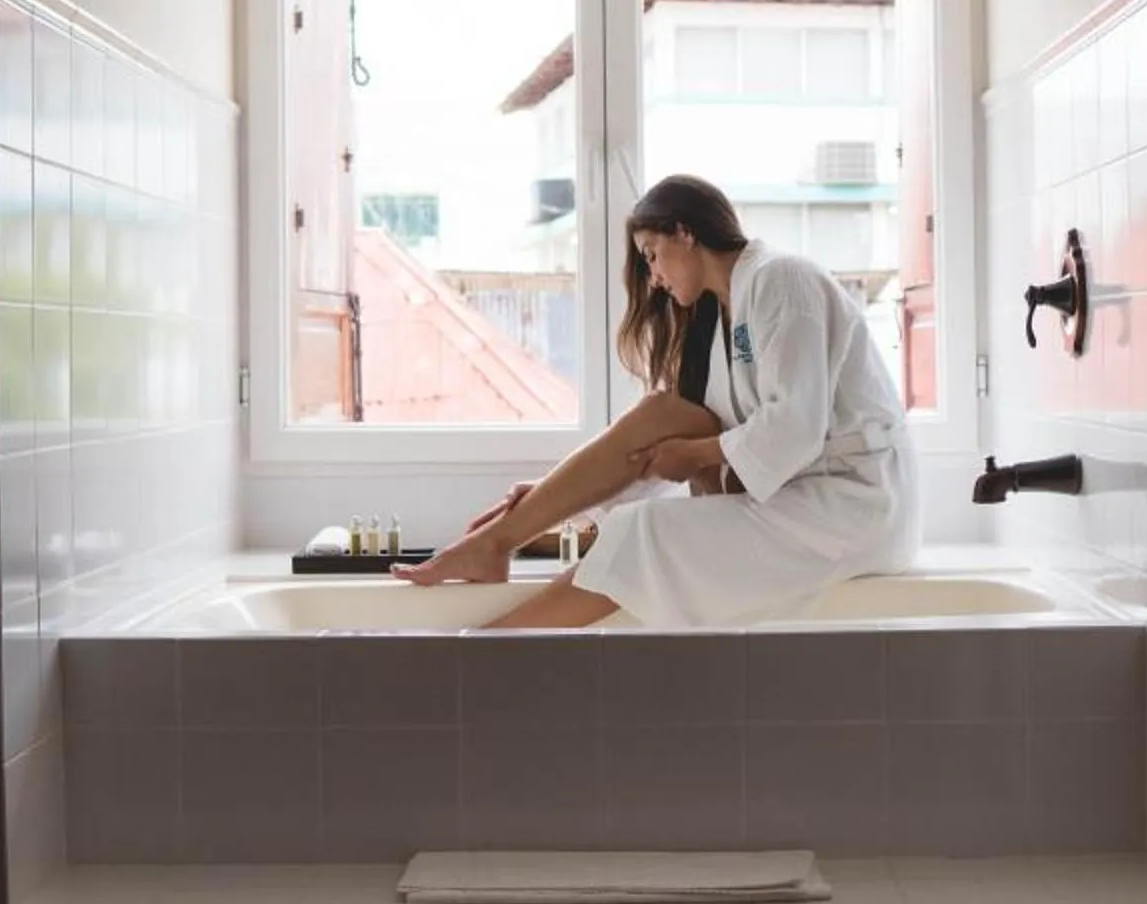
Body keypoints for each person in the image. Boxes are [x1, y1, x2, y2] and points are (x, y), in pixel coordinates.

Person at [394, 174, 920, 627]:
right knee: (662, 414)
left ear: (684, 232)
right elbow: (673, 441)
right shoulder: (722, 318)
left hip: (855, 505)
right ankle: (498, 542)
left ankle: (488, 651)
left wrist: (699, 455)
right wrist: (557, 497)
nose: (655, 278)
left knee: (639, 531)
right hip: (798, 494)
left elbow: (795, 426)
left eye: (652, 255)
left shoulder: (782, 279)